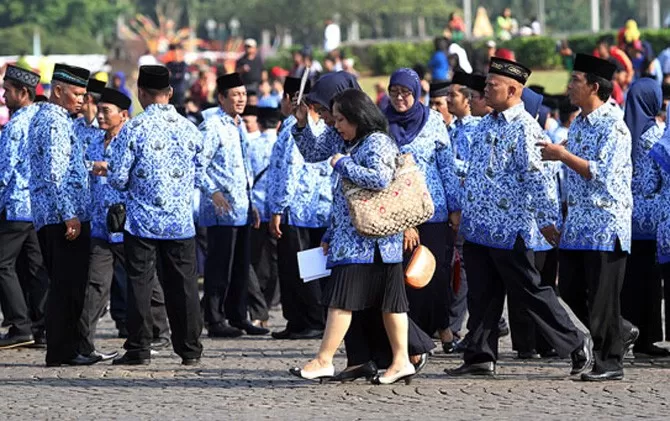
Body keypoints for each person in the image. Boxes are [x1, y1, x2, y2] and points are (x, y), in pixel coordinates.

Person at [447, 57, 592, 378]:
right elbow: (476, 170)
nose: (485, 90)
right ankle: (480, 356)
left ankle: (576, 342)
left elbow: (537, 178)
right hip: (479, 226)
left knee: (529, 291)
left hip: (510, 227)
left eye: (491, 86)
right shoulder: (485, 123)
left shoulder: (526, 128)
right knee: (482, 295)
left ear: (513, 90)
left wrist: (545, 219)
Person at [287, 72, 434, 382]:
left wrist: (342, 164)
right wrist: (301, 124)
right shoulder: (349, 138)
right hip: (358, 239)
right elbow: (315, 154)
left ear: (352, 114)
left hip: (372, 240)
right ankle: (393, 360)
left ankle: (328, 359)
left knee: (347, 301)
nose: (330, 122)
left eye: (332, 115)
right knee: (385, 306)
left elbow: (380, 179)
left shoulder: (374, 141)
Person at [538, 54, 639, 381]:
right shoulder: (579, 122)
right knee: (569, 288)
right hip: (578, 223)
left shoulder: (615, 126)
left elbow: (603, 175)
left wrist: (563, 155)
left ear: (594, 86)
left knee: (601, 296)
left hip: (605, 224)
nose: (568, 87)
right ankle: (619, 330)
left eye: (575, 81)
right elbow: (569, 171)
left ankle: (610, 363)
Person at [108, 65, 204, 366]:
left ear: (141, 93)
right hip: (179, 222)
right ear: (170, 93)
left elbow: (117, 178)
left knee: (140, 284)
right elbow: (200, 175)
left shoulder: (134, 129)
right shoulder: (190, 128)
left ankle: (139, 348)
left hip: (142, 221)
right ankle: (190, 350)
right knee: (185, 286)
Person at [78, 88, 170, 362]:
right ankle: (83, 342)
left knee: (144, 280)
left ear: (124, 115)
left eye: (107, 111)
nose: (101, 116)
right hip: (100, 224)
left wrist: (109, 167)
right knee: (95, 283)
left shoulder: (133, 140)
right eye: (100, 110)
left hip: (129, 224)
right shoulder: (94, 141)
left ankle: (160, 333)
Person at [384, 68, 461, 353]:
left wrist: (455, 207)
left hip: (434, 210)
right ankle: (411, 335)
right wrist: (403, 220)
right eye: (394, 93)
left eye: (405, 93)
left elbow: (447, 167)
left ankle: (444, 329)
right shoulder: (382, 124)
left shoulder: (433, 122)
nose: (400, 98)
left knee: (435, 273)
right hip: (398, 213)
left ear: (416, 94)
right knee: (404, 274)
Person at [29, 63, 97, 367]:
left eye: (84, 95)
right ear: (58, 90)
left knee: (66, 285)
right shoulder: (55, 122)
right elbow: (55, 174)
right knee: (67, 287)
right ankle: (62, 350)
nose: (81, 100)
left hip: (55, 214)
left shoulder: (51, 117)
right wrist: (70, 214)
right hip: (62, 218)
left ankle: (66, 348)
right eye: (76, 94)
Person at [198, 73, 266, 338]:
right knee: (219, 268)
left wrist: (252, 205)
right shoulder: (212, 126)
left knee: (240, 266)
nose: (240, 100)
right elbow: (198, 165)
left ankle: (238, 316)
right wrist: (213, 192)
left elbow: (244, 169)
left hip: (241, 208)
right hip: (220, 211)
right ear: (221, 98)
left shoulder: (238, 126)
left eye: (243, 94)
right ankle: (214, 319)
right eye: (234, 95)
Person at [268, 77, 331, 340]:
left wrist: (278, 208)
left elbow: (290, 170)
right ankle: (299, 320)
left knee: (301, 270)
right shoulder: (323, 126)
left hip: (297, 209)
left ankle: (311, 320)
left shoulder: (296, 126)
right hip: (320, 210)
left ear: (291, 98)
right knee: (311, 267)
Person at [0, 65, 49, 350]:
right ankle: (42, 325)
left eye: (7, 91)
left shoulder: (16, 125)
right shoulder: (40, 118)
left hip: (18, 205)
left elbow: (4, 172)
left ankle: (20, 325)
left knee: (3, 264)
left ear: (23, 92)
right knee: (36, 268)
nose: (4, 96)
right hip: (37, 206)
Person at [620, 79, 669, 357]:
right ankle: (648, 338)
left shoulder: (625, 131)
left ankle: (628, 331)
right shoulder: (654, 135)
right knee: (650, 280)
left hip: (629, 215)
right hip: (652, 218)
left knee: (630, 278)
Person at [444, 72, 480, 348]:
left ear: (468, 99)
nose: (447, 98)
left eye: (453, 94)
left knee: (463, 268)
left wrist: (447, 165)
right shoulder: (452, 129)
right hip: (451, 206)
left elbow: (476, 171)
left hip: (469, 208)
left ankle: (455, 326)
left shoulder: (475, 130)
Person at [246, 106, 281, 328]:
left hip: (256, 210)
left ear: (259, 124)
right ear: (278, 124)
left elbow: (247, 178)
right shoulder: (283, 145)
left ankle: (259, 310)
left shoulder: (251, 145)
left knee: (254, 261)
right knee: (276, 260)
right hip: (278, 211)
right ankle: (269, 301)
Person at [73, 78, 105, 148]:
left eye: (80, 95)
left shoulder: (104, 129)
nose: (77, 100)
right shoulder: (74, 125)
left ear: (88, 98)